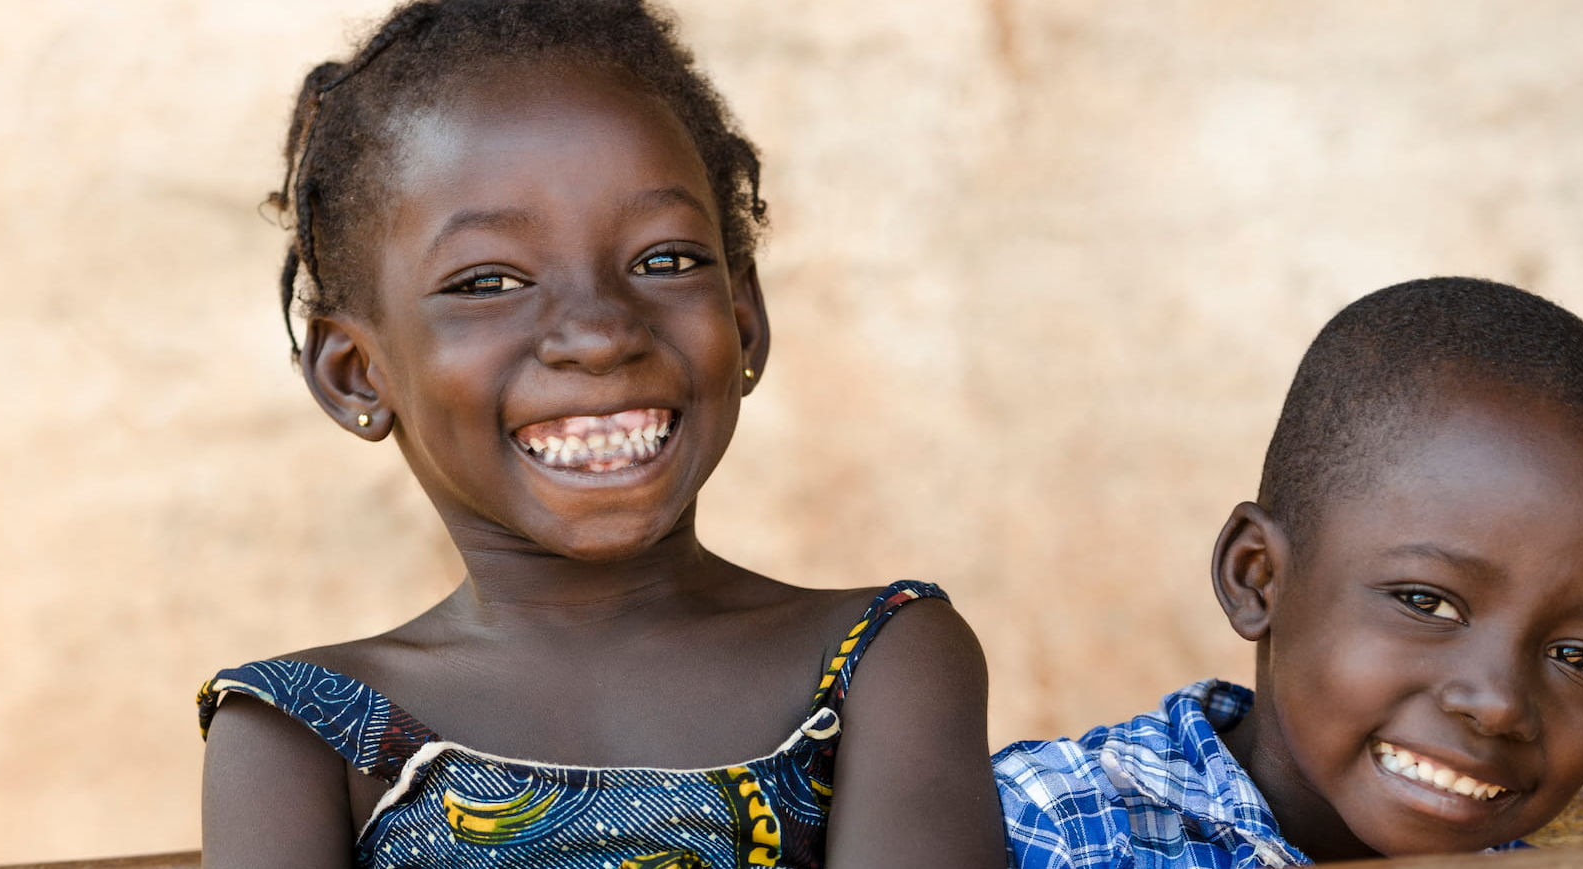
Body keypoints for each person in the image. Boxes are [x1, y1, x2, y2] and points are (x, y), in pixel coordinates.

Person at [195, 3, 1005, 867]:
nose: (599, 333)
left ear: (745, 321)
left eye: (666, 260)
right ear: (357, 372)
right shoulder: (302, 730)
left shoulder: (883, 658)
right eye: (487, 280)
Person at [995, 277, 1583, 868]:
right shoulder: (1065, 830)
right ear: (1256, 576)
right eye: (1427, 601)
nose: (1498, 702)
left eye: (1579, 656)